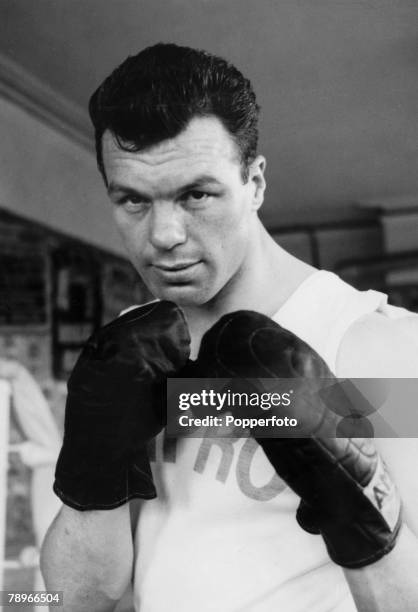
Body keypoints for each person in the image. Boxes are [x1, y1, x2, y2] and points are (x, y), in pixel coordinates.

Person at [41, 43, 418, 611]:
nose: (164, 234)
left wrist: (360, 503)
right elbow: (74, 602)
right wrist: (92, 472)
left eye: (197, 194)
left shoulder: (371, 344)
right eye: (133, 201)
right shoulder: (127, 346)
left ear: (256, 183)